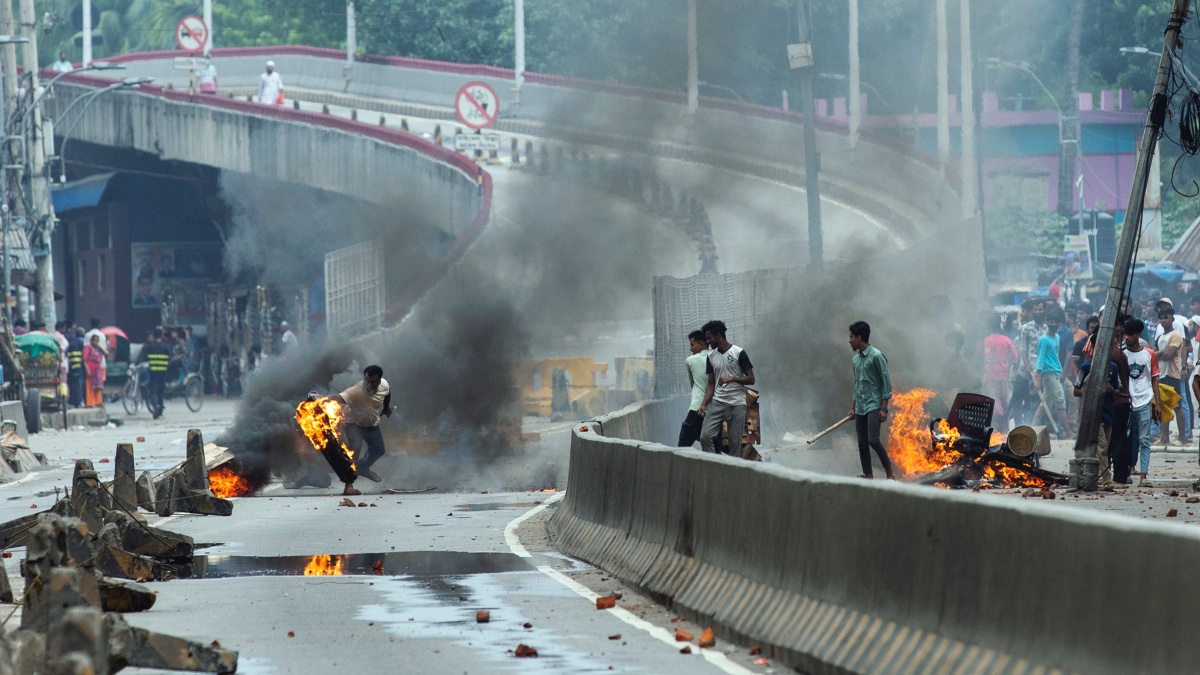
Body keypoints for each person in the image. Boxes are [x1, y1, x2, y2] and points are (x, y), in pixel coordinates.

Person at [697, 320, 755, 456]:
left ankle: (734, 473)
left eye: (709, 338)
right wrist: (704, 404)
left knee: (735, 444)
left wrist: (732, 378)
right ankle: (715, 465)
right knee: (705, 437)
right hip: (718, 402)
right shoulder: (710, 357)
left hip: (737, 404)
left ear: (718, 336)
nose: (708, 341)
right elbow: (711, 384)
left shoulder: (738, 353)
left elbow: (751, 379)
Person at [333, 365, 392, 493]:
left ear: (380, 380)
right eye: (367, 380)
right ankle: (349, 486)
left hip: (372, 425)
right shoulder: (357, 389)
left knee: (379, 450)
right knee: (355, 448)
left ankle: (362, 468)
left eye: (373, 382)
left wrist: (386, 408)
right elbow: (338, 398)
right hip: (354, 424)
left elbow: (387, 394)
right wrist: (319, 399)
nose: (369, 384)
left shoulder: (384, 385)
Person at [848, 320, 895, 480]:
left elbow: (886, 382)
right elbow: (857, 385)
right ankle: (868, 475)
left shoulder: (877, 356)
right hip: (860, 405)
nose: (849, 341)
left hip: (874, 405)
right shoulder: (855, 360)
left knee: (873, 440)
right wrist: (853, 407)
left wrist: (884, 408)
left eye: (851, 337)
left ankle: (890, 473)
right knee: (862, 443)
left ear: (859, 338)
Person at [1074, 345, 1123, 490]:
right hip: (1092, 414)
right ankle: (1107, 480)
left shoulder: (1113, 367)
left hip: (1108, 412)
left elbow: (1118, 390)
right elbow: (1076, 390)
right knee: (1101, 448)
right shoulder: (1086, 367)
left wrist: (1111, 390)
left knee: (1104, 448)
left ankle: (1094, 477)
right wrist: (1090, 392)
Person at [1125, 318, 1161, 486]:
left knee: (1144, 440)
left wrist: (1158, 403)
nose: (1127, 337)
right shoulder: (1122, 354)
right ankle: (1126, 470)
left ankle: (1143, 475)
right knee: (1125, 438)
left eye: (1130, 334)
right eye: (1126, 334)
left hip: (1145, 401)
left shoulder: (1149, 354)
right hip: (1127, 401)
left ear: (1138, 335)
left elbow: (1155, 379)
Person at [1033, 308, 1072, 439]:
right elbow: (1040, 359)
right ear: (1046, 322)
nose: (1053, 324)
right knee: (1060, 399)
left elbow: (1055, 356)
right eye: (1051, 321)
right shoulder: (1044, 340)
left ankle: (1032, 428)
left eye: (1056, 322)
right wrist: (1038, 379)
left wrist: (1061, 373)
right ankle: (1068, 432)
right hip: (1048, 374)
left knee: (1045, 403)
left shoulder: (1057, 337)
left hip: (1057, 371)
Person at [1156, 308, 1190, 446]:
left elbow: (1169, 354)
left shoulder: (1175, 335)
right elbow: (1161, 353)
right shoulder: (1160, 337)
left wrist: (1158, 353)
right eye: (1162, 318)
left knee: (1177, 406)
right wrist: (1161, 353)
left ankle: (1182, 437)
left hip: (1172, 374)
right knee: (1163, 406)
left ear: (1172, 319)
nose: (1164, 320)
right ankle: (1165, 438)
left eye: (1166, 317)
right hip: (1162, 374)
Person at [982, 315, 1018, 432]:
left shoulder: (987, 340)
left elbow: (987, 358)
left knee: (993, 400)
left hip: (991, 375)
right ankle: (1005, 428)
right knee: (1004, 400)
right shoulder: (1006, 340)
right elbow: (1015, 357)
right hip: (1004, 375)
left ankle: (995, 428)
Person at [677, 330, 710, 447]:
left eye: (692, 345)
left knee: (682, 446)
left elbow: (692, 383)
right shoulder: (716, 357)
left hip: (697, 408)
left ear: (701, 345)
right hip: (715, 409)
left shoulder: (691, 361)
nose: (690, 348)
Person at [138, 330, 171, 419]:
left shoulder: (149, 347)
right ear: (161, 335)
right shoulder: (166, 347)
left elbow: (143, 359)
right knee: (160, 392)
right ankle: (160, 413)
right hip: (163, 372)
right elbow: (169, 360)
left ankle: (155, 405)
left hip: (152, 372)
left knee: (153, 391)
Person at [83, 334, 106, 408]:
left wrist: (100, 346)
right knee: (90, 387)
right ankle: (90, 403)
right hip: (90, 369)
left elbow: (106, 353)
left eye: (97, 341)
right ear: (91, 341)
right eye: (94, 340)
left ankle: (98, 401)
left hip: (97, 370)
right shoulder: (87, 348)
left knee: (98, 387)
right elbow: (84, 360)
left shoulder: (99, 349)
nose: (95, 342)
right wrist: (87, 369)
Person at [66, 328, 85, 408]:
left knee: (72, 384)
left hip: (71, 367)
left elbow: (65, 353)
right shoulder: (83, 342)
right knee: (79, 385)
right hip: (80, 367)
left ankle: (72, 401)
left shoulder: (71, 343)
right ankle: (78, 401)